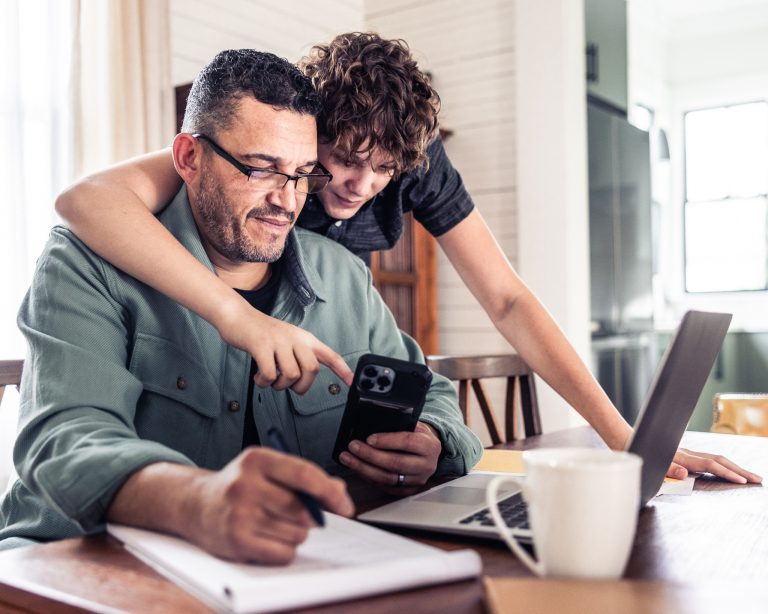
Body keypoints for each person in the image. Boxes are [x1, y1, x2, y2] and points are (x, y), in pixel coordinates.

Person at [55, 32, 761, 484]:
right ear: (310, 129)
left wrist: (626, 440)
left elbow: (508, 300)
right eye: (339, 161)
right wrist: (236, 318)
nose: (358, 187)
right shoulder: (265, 162)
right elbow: (87, 200)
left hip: (328, 402)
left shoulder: (395, 184)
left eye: (385, 169)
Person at [0, 49, 482, 560]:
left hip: (295, 566)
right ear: (188, 158)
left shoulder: (342, 274)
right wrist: (196, 500)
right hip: (80, 566)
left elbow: (432, 396)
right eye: (262, 169)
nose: (288, 199)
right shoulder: (85, 261)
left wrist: (433, 439)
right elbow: (67, 443)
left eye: (302, 173)